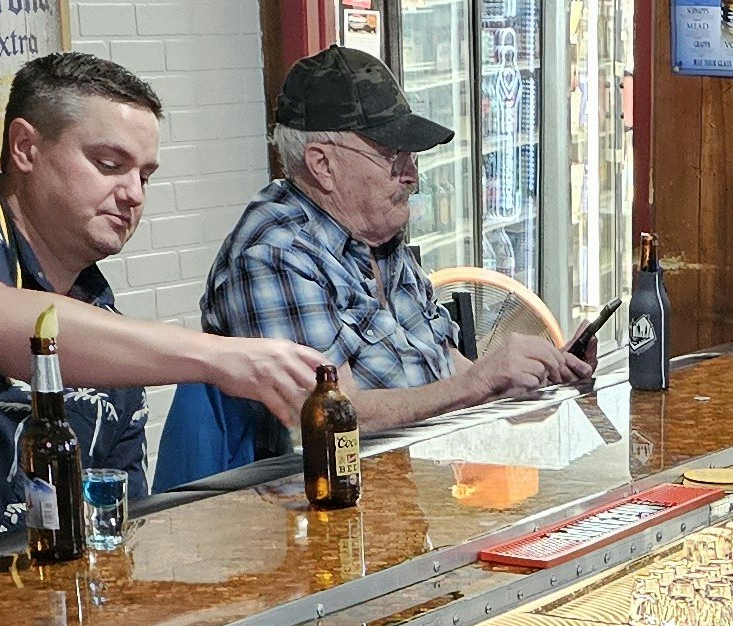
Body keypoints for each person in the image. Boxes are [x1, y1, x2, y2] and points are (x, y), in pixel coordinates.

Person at [0, 53, 326, 544]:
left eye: (145, 175)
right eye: (110, 164)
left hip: (25, 618)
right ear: (25, 147)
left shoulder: (100, 323)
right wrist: (217, 356)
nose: (134, 194)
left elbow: (118, 530)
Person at [202, 48, 589, 436]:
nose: (412, 176)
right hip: (321, 491)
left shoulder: (376, 236)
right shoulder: (275, 254)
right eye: (392, 156)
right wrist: (477, 385)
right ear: (322, 165)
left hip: (417, 472)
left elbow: (445, 370)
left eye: (410, 156)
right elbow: (331, 418)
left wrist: (527, 383)